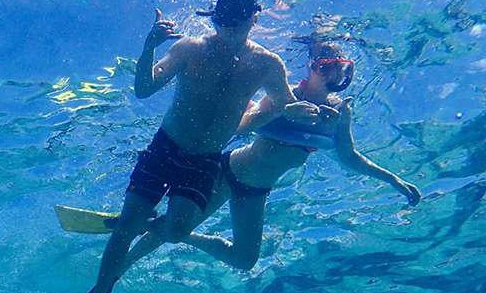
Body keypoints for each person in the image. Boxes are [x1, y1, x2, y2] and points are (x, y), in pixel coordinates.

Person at [24, 0, 323, 293]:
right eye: (223, 24)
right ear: (216, 20)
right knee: (127, 227)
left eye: (237, 25)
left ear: (253, 20)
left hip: (205, 159)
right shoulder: (190, 49)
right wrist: (149, 45)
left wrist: (306, 114)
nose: (229, 34)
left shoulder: (267, 65)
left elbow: (284, 104)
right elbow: (144, 90)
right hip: (166, 147)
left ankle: (140, 223)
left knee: (179, 231)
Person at [109, 40, 422, 276]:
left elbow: (350, 157)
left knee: (244, 260)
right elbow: (240, 125)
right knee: (165, 236)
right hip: (229, 171)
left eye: (346, 70)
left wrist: (394, 181)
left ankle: (169, 228)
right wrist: (285, 112)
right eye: (335, 68)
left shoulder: (340, 112)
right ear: (316, 67)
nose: (341, 76)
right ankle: (113, 276)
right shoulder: (285, 95)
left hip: (257, 189)